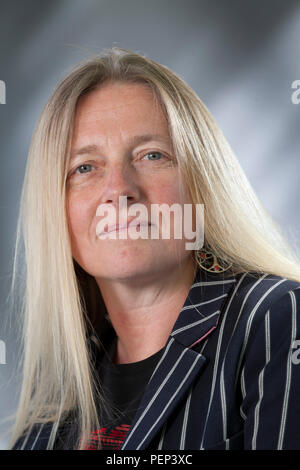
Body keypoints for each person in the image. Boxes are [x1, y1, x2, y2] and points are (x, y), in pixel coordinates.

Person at [6, 47, 300, 450]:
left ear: (202, 181)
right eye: (85, 167)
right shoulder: (59, 399)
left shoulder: (277, 318)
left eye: (151, 155)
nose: (120, 191)